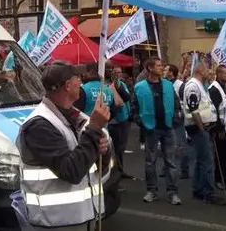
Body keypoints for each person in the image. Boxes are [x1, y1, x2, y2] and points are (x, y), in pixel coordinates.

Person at [16, 62, 112, 230]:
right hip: (56, 222)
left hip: (86, 216)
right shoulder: (39, 125)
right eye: (78, 79)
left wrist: (103, 149)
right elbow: (71, 172)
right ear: (68, 85)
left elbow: (98, 168)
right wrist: (94, 129)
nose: (81, 83)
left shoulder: (78, 117)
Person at [133, 57, 182, 205]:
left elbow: (177, 104)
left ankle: (172, 192)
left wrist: (176, 119)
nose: (162, 68)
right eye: (159, 66)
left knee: (171, 162)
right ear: (149, 68)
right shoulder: (139, 87)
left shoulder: (168, 85)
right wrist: (140, 122)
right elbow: (134, 107)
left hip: (168, 128)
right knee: (150, 162)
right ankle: (152, 191)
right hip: (151, 129)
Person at [180, 61, 226, 205]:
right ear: (200, 71)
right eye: (207, 70)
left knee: (201, 160)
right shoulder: (193, 86)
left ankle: (199, 189)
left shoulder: (200, 85)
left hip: (202, 128)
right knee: (207, 162)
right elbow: (194, 110)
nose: (210, 73)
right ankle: (208, 193)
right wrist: (202, 128)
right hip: (199, 128)